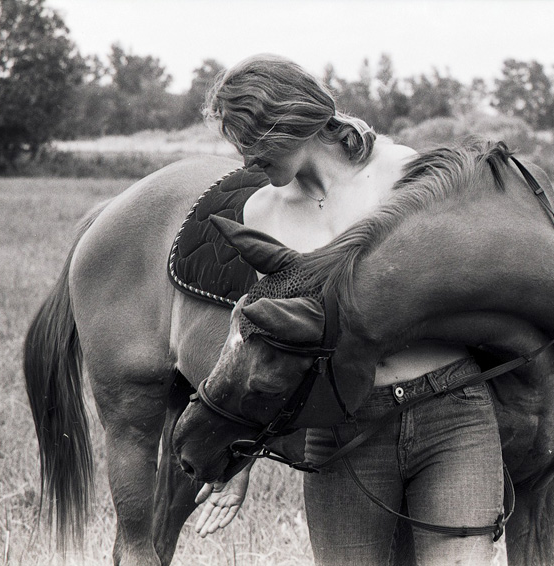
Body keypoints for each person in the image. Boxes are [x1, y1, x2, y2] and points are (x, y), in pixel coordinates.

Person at [193, 54, 504, 566]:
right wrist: (241, 460)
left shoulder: (406, 173)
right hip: (343, 432)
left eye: (252, 141)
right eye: (237, 145)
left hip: (451, 412)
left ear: (287, 120)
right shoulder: (260, 212)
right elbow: (260, 344)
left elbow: (480, 293)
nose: (246, 161)